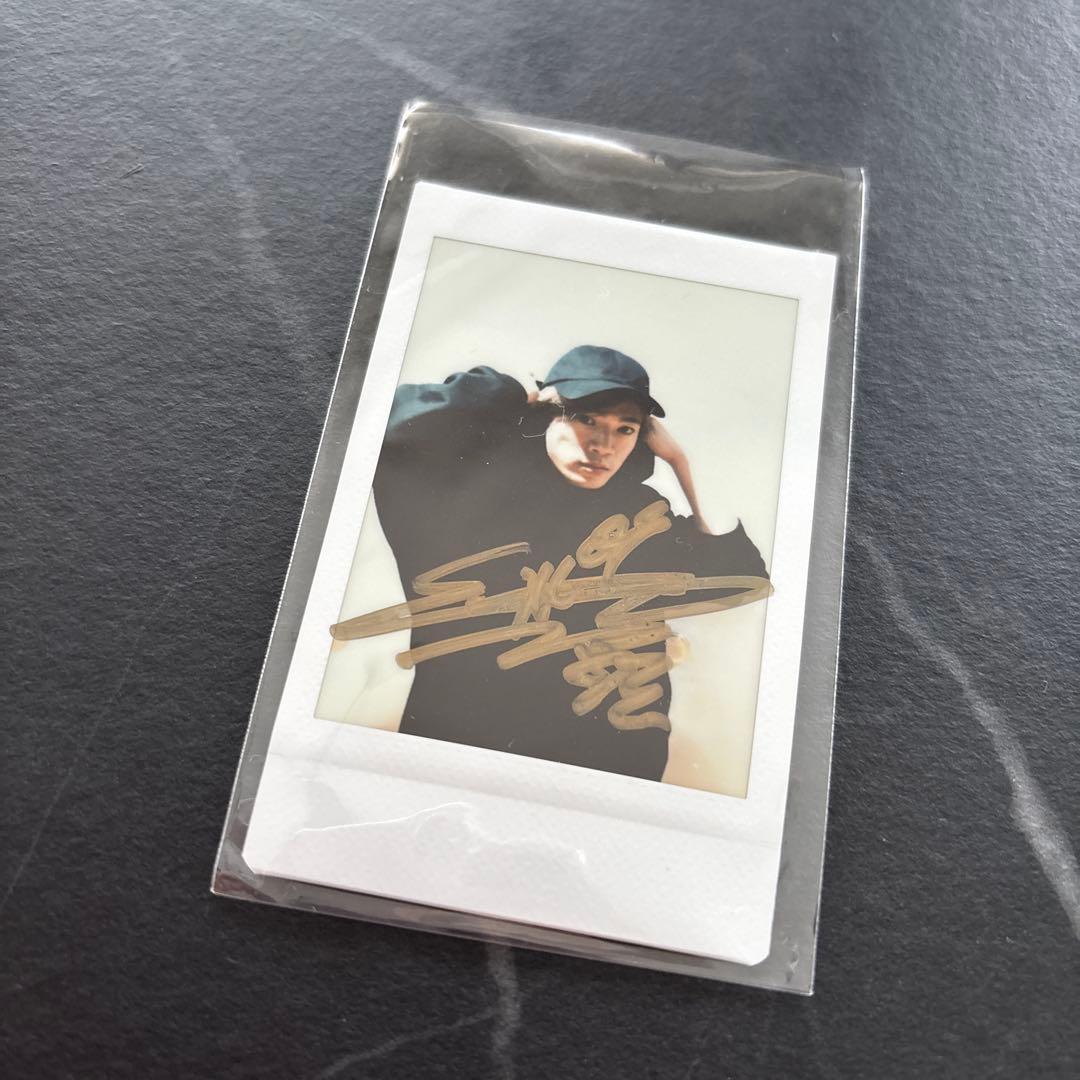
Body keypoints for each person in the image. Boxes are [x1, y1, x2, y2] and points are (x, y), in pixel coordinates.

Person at [341, 345, 769, 783]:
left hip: (611, 772)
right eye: (586, 419)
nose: (603, 446)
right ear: (547, 413)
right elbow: (377, 420)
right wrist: (509, 393)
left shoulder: (638, 513)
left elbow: (744, 579)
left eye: (625, 429)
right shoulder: (462, 490)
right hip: (463, 757)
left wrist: (680, 460)